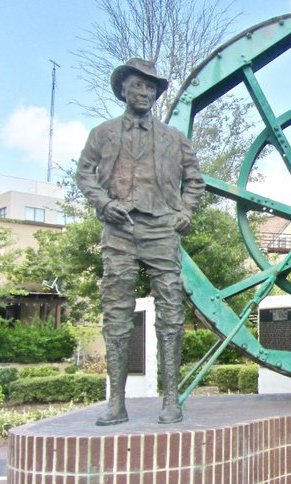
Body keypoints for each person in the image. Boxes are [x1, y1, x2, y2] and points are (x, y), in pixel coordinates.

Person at [76, 58, 205, 425]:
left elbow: (195, 180)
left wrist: (186, 212)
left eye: (151, 88)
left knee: (171, 313)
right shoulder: (102, 133)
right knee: (116, 313)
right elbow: (84, 172)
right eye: (138, 86)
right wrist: (103, 203)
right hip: (119, 229)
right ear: (123, 90)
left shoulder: (173, 138)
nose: (145, 93)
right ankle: (116, 403)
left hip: (163, 228)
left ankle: (172, 401)